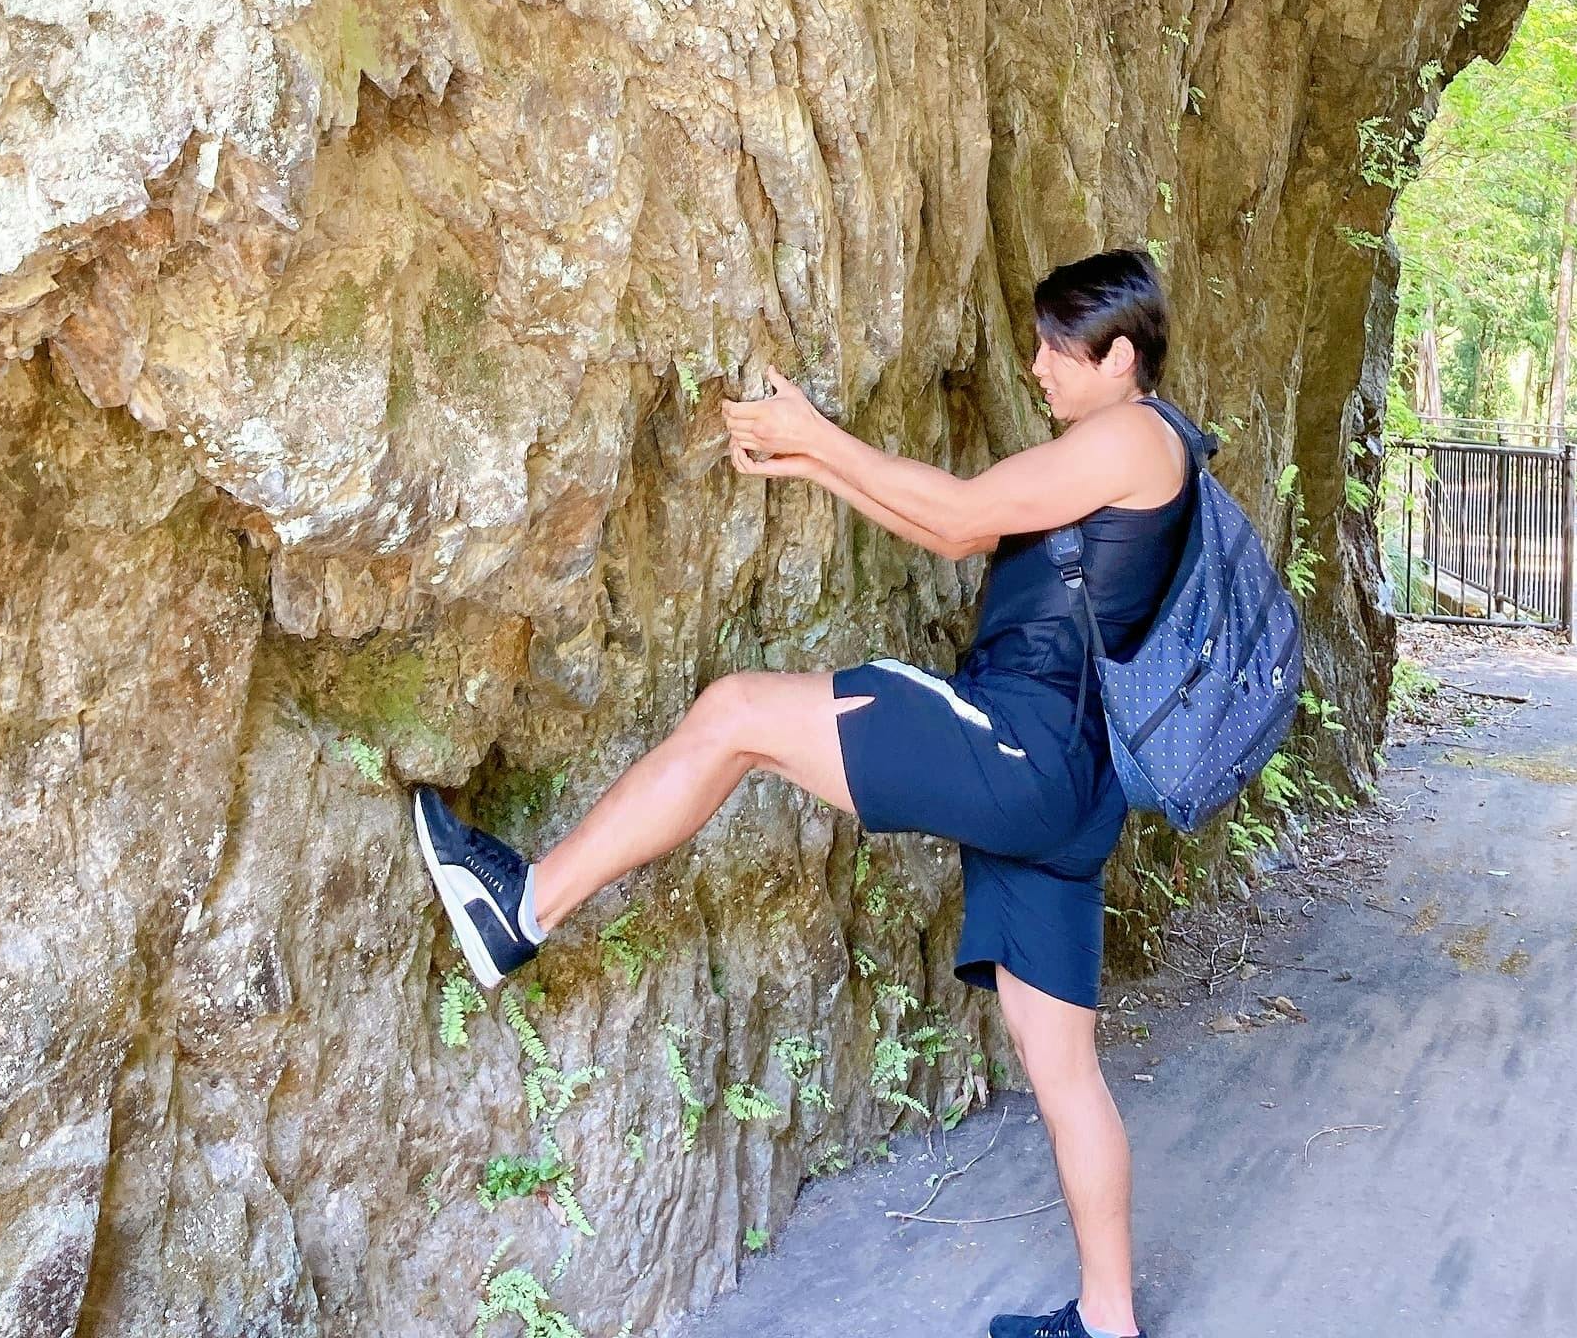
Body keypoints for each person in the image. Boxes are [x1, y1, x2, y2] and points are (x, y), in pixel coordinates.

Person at [412, 248, 1199, 1338]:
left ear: (1118, 357)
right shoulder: (1145, 450)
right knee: (1064, 1068)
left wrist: (819, 437)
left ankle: (524, 905)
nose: (1037, 367)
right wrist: (809, 459)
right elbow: (960, 527)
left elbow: (963, 517)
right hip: (1073, 783)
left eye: (1058, 349)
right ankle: (1110, 1319)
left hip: (1019, 745)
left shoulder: (1126, 436)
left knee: (735, 713)